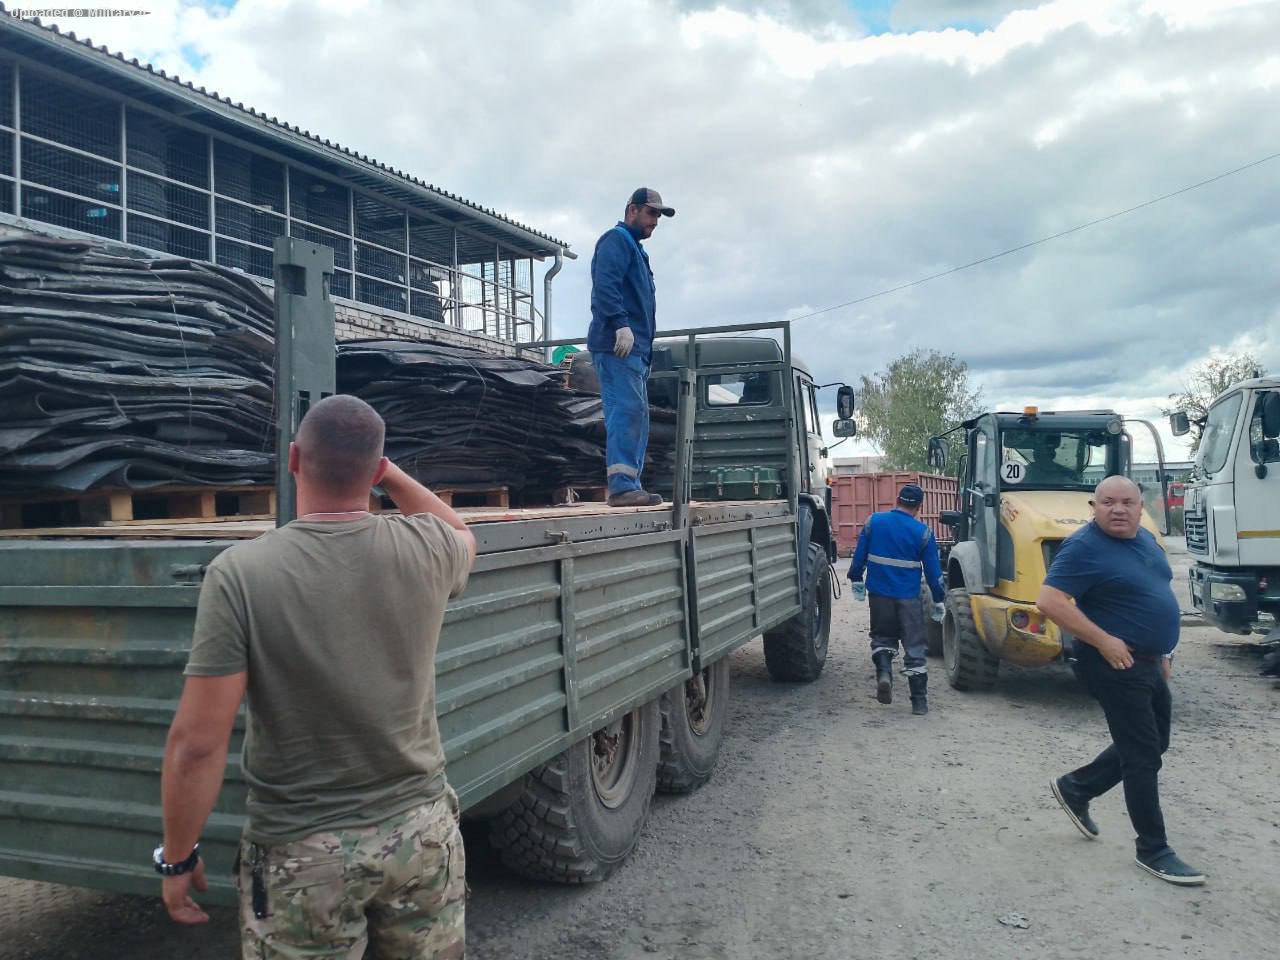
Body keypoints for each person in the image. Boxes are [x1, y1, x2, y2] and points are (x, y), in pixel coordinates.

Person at [157, 394, 478, 956]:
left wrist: (177, 856)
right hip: (422, 833)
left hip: (301, 855)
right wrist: (389, 472)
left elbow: (198, 745)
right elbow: (462, 531)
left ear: (292, 461)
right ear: (376, 472)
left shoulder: (241, 574)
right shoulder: (428, 548)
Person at [1038, 475, 1205, 886]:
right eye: (1108, 502)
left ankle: (1077, 788)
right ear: (1094, 507)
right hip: (1112, 662)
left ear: (1140, 505)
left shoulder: (1146, 539)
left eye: (1127, 502)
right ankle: (1153, 849)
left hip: (1148, 661)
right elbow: (1049, 601)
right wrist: (1105, 641)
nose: (1118, 509)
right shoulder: (1082, 547)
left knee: (1154, 742)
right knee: (1142, 756)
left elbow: (1155, 591)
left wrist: (1163, 651)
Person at [587, 187, 675, 507]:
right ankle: (622, 487)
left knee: (635, 413)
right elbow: (605, 287)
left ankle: (629, 482)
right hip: (617, 346)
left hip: (634, 350)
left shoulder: (635, 248)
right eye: (652, 213)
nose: (656, 221)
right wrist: (620, 324)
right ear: (632, 210)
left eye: (659, 215)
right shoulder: (616, 241)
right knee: (626, 411)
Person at [847, 483, 945, 715]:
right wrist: (939, 600)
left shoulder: (874, 522)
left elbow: (859, 556)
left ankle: (884, 674)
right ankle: (919, 702)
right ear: (919, 507)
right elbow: (934, 574)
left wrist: (855, 579)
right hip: (908, 599)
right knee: (914, 648)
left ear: (897, 500)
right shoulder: (923, 533)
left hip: (879, 595)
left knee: (882, 638)